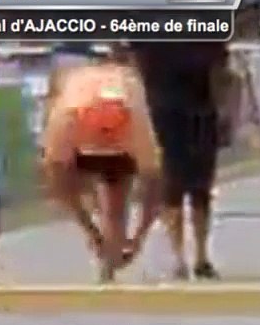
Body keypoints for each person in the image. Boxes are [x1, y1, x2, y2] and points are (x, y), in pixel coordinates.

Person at [41, 46, 162, 283]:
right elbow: (55, 178)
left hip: (114, 115)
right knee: (91, 193)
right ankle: (107, 250)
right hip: (80, 119)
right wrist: (89, 230)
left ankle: (110, 260)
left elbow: (154, 183)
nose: (104, 142)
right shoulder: (67, 118)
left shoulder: (133, 117)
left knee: (116, 200)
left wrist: (138, 238)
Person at [132, 41, 231, 280]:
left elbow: (220, 66)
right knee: (187, 187)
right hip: (182, 109)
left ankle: (192, 257)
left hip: (184, 108)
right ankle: (192, 256)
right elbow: (220, 67)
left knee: (188, 187)